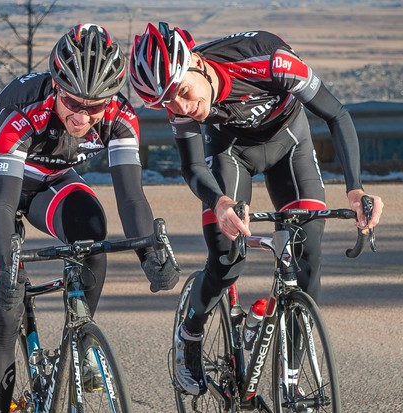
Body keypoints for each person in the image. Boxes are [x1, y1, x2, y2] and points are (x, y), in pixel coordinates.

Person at [129, 22, 384, 396]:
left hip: (290, 143)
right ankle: (191, 332)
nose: (181, 108)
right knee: (227, 259)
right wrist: (221, 202)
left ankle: (291, 379)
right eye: (166, 103)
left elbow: (336, 115)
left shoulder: (272, 63)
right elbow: (194, 166)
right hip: (231, 153)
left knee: (308, 253)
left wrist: (354, 189)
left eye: (182, 93)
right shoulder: (177, 98)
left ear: (197, 63)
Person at [0, 23, 179, 413]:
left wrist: (149, 256)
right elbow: (2, 206)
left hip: (51, 178)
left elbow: (130, 198)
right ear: (57, 86)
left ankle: (79, 345)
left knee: (92, 234)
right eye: (74, 103)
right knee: (4, 314)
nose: (83, 117)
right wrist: (5, 268)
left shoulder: (121, 116)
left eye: (94, 107)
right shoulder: (24, 112)